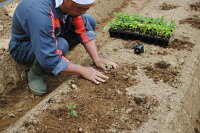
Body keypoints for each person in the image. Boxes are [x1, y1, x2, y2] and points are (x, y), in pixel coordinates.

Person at [9, 0, 118, 96]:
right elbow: (49, 58)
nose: (83, 12)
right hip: (24, 46)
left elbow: (82, 29)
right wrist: (83, 70)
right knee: (61, 45)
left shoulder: (69, 6)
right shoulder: (40, 13)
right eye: (80, 8)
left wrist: (97, 59)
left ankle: (62, 61)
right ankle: (36, 73)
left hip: (50, 32)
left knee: (89, 21)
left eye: (86, 8)